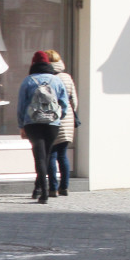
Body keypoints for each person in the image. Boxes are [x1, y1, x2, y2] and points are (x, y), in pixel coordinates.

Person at [16, 51, 70, 204]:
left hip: (33, 123)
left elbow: (21, 106)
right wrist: (59, 118)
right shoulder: (57, 80)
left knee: (39, 156)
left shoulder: (28, 81)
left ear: (33, 64)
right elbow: (64, 104)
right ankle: (38, 189)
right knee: (46, 156)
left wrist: (22, 125)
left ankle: (43, 192)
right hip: (52, 124)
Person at [45, 49, 79, 197]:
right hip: (68, 119)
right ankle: (64, 187)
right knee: (63, 155)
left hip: (52, 118)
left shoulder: (48, 78)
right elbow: (75, 101)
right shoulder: (67, 77)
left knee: (51, 155)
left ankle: (53, 187)